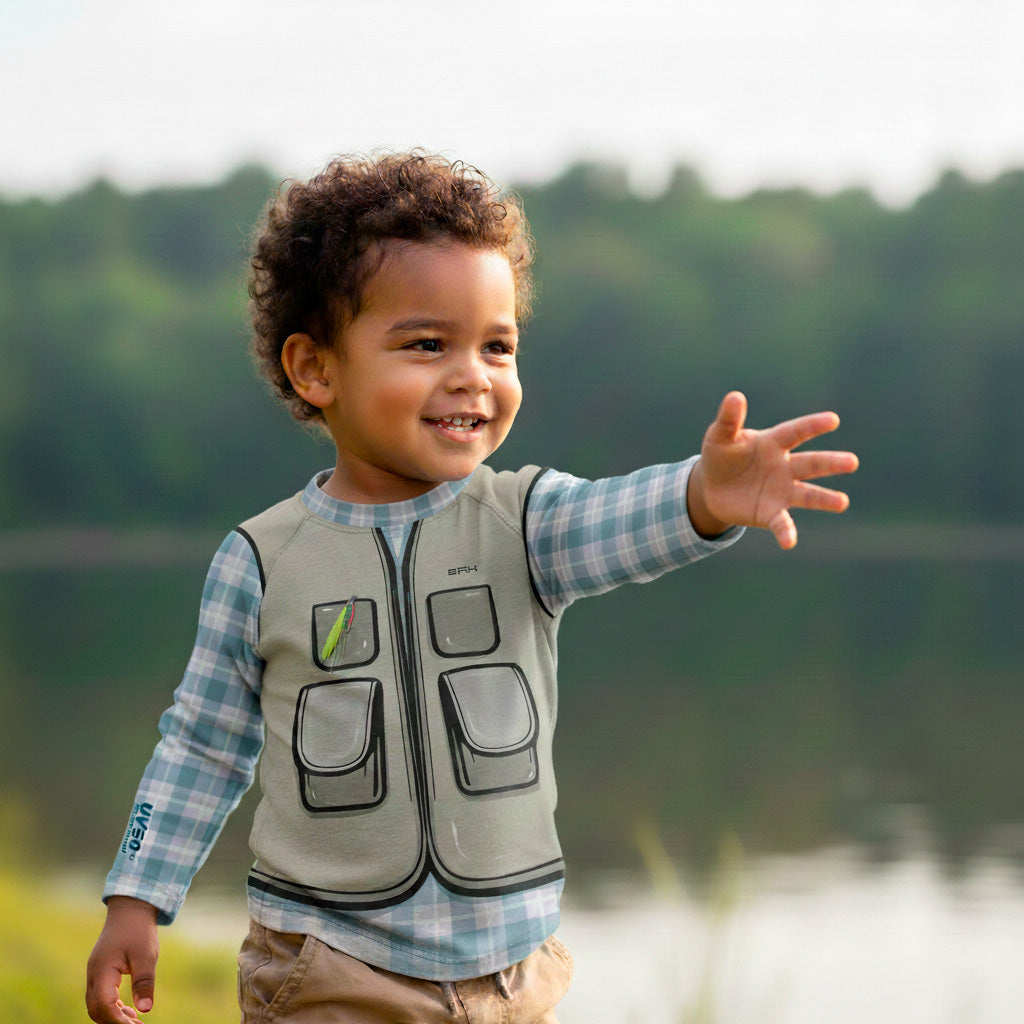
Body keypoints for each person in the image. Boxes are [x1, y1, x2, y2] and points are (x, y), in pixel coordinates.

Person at [86, 151, 858, 1024]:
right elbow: (201, 746)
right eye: (427, 344)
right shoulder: (262, 559)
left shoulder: (526, 523)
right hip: (329, 966)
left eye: (498, 346)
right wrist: (136, 896)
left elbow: (620, 522)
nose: (472, 376)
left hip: (510, 973)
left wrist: (704, 496)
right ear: (316, 369)